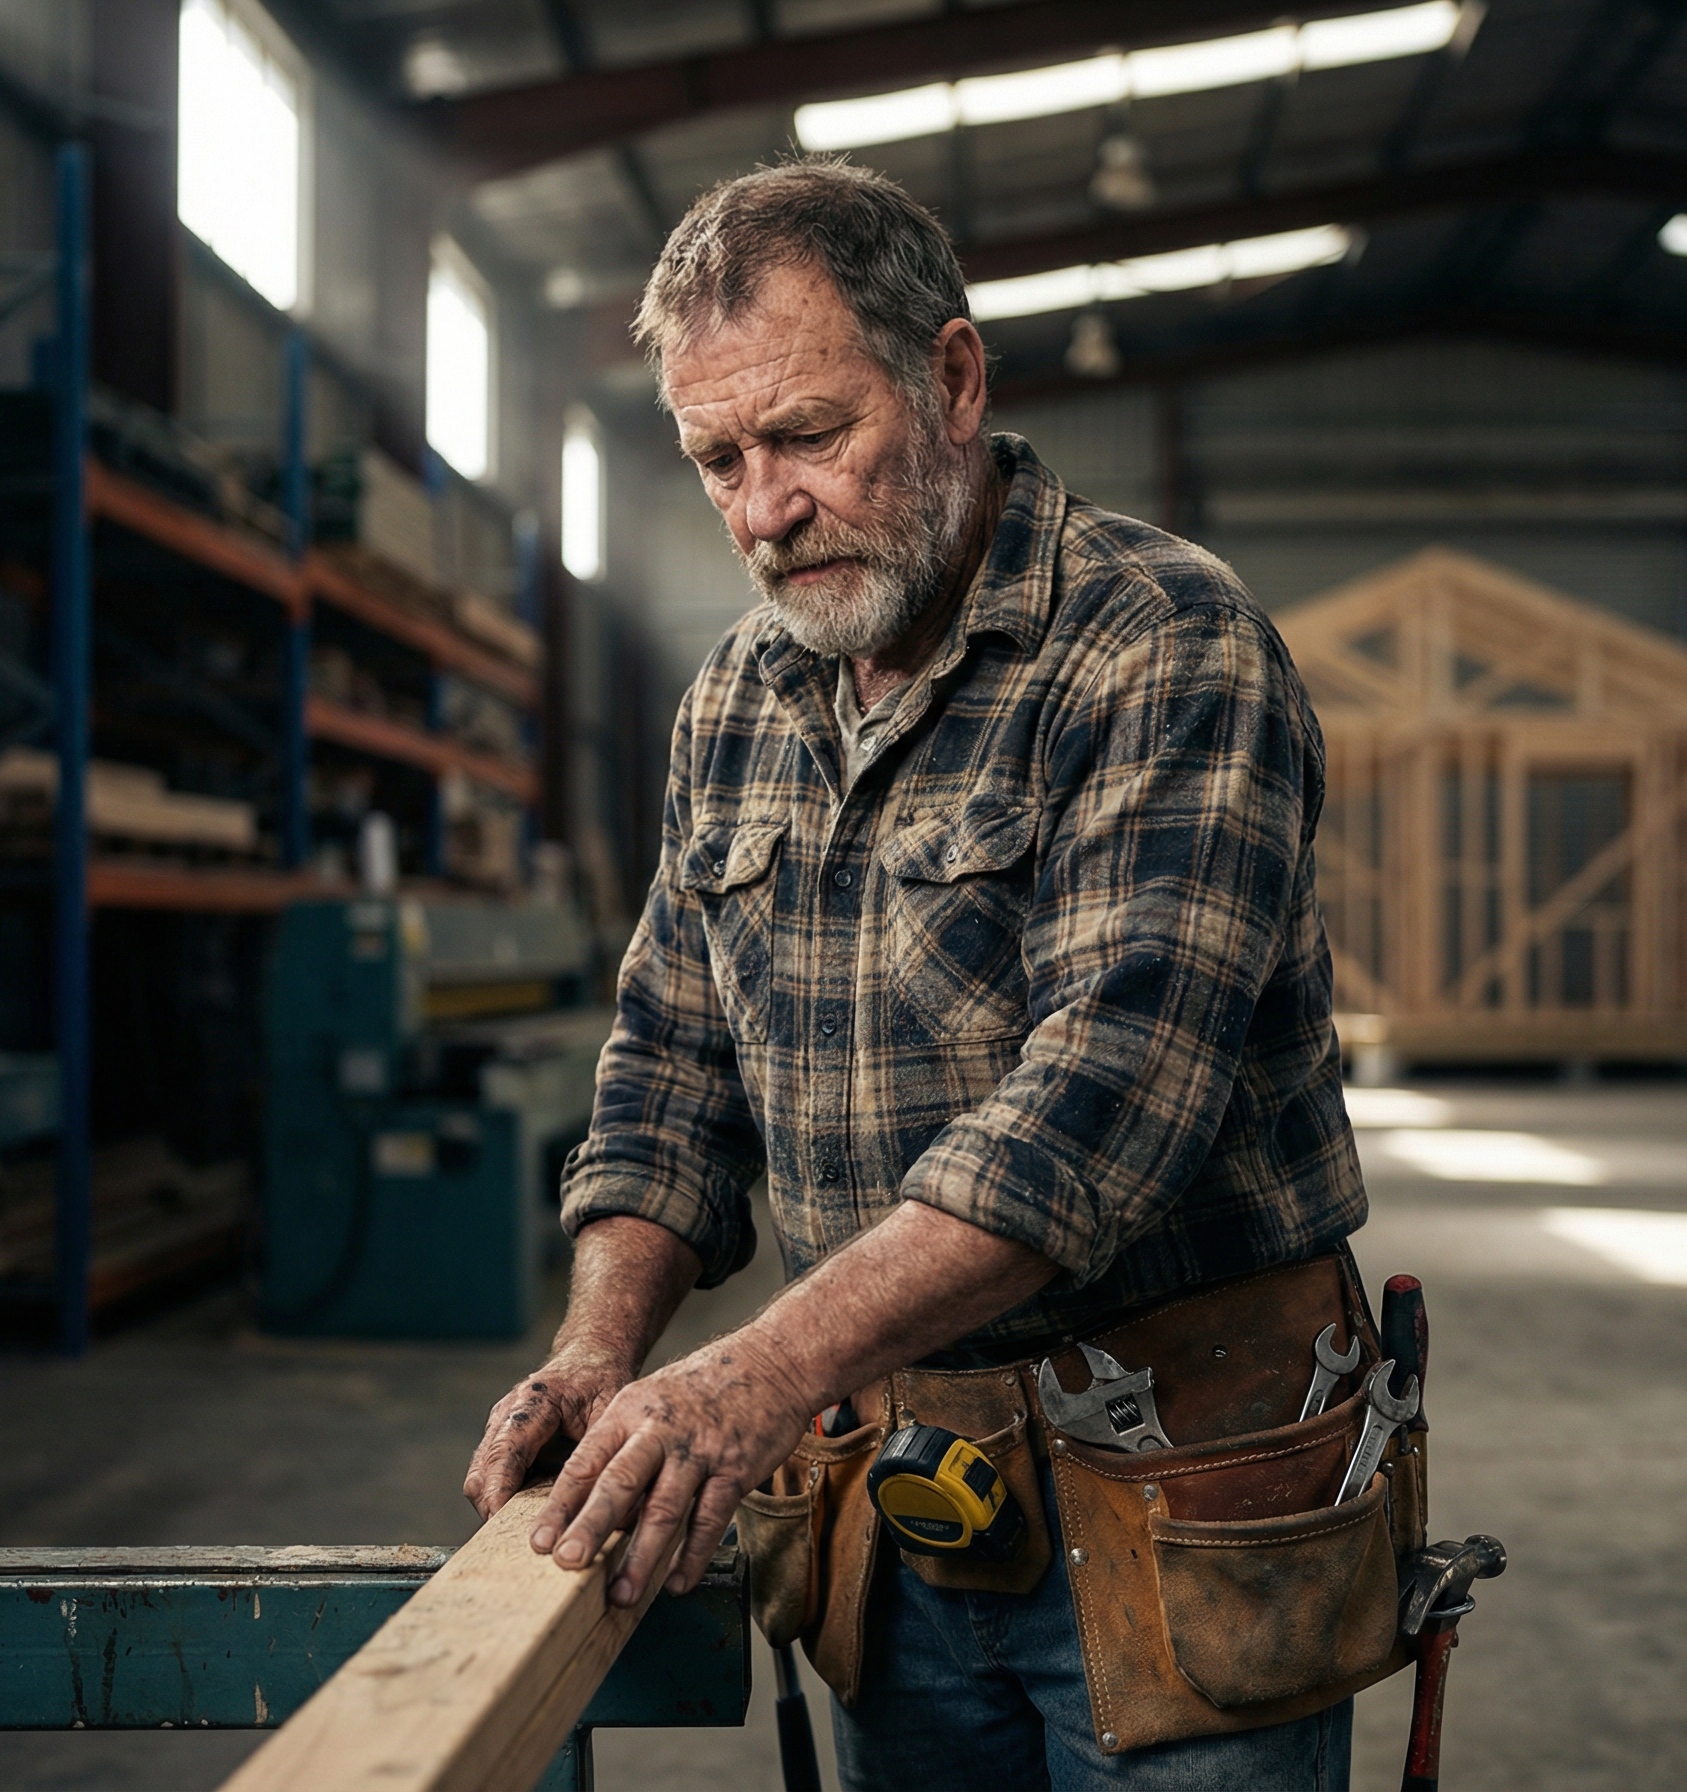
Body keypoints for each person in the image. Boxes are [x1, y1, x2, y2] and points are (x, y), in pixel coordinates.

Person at [464, 158, 1370, 1791]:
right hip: (903, 1493)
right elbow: (667, 1070)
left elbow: (1095, 1114)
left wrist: (758, 1372)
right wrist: (601, 1346)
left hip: (1185, 1487)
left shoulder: (1163, 645)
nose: (763, 510)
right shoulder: (737, 702)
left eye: (809, 436)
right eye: (717, 460)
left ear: (952, 381)